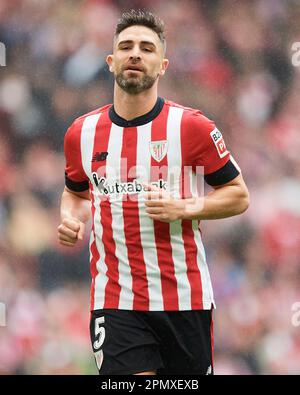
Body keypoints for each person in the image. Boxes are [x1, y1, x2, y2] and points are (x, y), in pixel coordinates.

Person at [57, 9, 249, 375]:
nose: (135, 54)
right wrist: (70, 217)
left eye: (146, 48)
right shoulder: (81, 133)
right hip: (116, 300)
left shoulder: (191, 127)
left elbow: (238, 195)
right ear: (111, 62)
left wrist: (185, 207)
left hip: (184, 297)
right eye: (126, 47)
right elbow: (76, 193)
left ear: (162, 65)